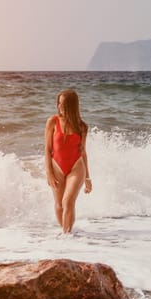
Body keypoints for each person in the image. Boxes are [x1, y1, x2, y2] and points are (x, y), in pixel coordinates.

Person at [44, 89, 92, 234]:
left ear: (72, 106)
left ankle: (67, 239)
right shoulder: (52, 122)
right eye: (58, 104)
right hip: (56, 166)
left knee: (68, 201)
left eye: (63, 104)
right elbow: (47, 149)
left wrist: (88, 178)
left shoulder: (82, 127)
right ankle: (68, 232)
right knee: (59, 205)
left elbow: (83, 151)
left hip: (76, 166)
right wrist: (49, 173)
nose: (60, 107)